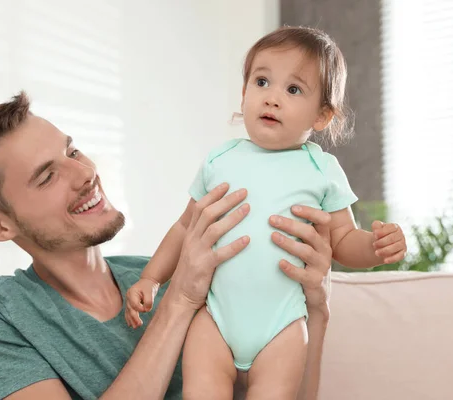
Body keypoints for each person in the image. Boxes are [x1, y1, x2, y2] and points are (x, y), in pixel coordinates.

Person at [0, 91, 334, 400]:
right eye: (48, 176)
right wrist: (180, 301)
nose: (85, 174)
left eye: (72, 151)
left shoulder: (171, 272)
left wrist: (315, 308)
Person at [125, 26, 407, 399]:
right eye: (261, 82)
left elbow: (342, 239)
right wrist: (151, 278)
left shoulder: (321, 169)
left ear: (321, 116)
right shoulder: (219, 160)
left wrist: (374, 247)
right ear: (244, 93)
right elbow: (183, 228)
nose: (272, 98)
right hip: (214, 320)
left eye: (293, 90)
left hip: (282, 326)